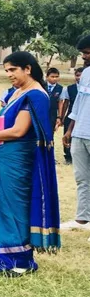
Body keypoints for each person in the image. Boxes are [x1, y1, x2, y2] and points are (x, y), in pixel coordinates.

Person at [0, 51, 60, 275]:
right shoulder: (18, 91)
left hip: (18, 158)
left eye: (13, 70)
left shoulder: (36, 94)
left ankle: (17, 259)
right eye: (6, 70)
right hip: (4, 154)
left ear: (27, 69)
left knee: (13, 206)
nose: (9, 74)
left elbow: (19, 131)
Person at [61, 34, 90, 235]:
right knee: (82, 177)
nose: (84, 57)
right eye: (83, 54)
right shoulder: (86, 73)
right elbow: (79, 103)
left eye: (87, 53)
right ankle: (82, 218)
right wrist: (70, 130)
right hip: (80, 132)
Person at [58, 67, 83, 164]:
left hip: (83, 116)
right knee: (68, 135)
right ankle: (68, 156)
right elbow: (65, 103)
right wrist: (62, 117)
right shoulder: (69, 88)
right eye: (77, 75)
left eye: (81, 76)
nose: (79, 78)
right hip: (71, 115)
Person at [45, 67, 62, 132]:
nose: (55, 78)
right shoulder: (41, 86)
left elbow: (60, 103)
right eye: (52, 76)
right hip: (41, 112)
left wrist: (59, 117)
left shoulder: (60, 88)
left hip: (52, 115)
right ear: (47, 77)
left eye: (56, 77)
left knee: (50, 132)